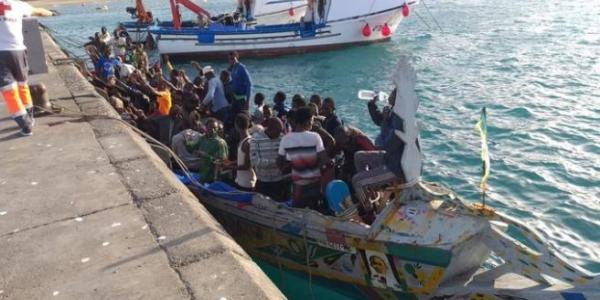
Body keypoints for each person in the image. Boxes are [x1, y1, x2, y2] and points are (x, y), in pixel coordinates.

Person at [0, 0, 53, 135]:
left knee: (9, 91)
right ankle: (30, 116)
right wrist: (51, 13)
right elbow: (40, 11)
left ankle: (26, 125)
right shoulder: (18, 5)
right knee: (22, 85)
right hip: (18, 51)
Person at [278, 107, 329, 209]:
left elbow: (279, 163)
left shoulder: (286, 138)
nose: (313, 123)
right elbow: (324, 160)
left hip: (298, 186)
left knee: (297, 211)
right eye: (312, 120)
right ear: (306, 121)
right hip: (315, 184)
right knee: (314, 211)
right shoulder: (315, 136)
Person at [250, 117, 290, 201]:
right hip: (262, 181)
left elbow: (286, 159)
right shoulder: (256, 138)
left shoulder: (282, 138)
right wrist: (277, 163)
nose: (280, 134)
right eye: (278, 131)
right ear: (270, 129)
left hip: (278, 182)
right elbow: (255, 161)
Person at [191, 118, 229, 183]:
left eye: (215, 128)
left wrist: (207, 156)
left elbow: (223, 162)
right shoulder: (202, 138)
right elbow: (192, 148)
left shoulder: (220, 142)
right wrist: (186, 140)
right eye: (211, 127)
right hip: (203, 174)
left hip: (214, 177)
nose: (213, 130)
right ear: (206, 127)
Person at [234, 113, 256, 191]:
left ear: (236, 126)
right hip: (240, 181)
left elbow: (247, 166)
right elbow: (242, 160)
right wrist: (231, 163)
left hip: (247, 184)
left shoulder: (248, 143)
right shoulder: (243, 141)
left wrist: (231, 167)